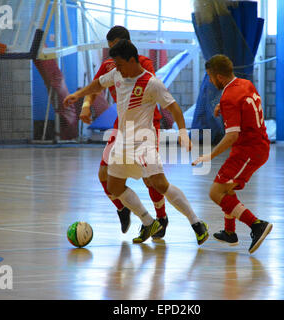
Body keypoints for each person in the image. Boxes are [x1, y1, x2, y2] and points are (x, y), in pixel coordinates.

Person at [64, 40, 209, 245]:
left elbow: (174, 108)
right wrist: (78, 95)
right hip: (123, 141)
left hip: (143, 142)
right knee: (114, 186)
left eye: (121, 64)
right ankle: (149, 221)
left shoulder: (151, 83)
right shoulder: (116, 74)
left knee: (159, 184)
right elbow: (98, 84)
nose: (118, 69)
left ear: (132, 60)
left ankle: (196, 223)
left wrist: (183, 133)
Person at [79, 26, 169, 238]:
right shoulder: (109, 65)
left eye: (116, 50)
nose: (113, 59)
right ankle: (122, 207)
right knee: (103, 175)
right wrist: (85, 106)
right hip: (122, 127)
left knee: (150, 179)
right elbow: (94, 87)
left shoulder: (143, 64)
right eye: (110, 49)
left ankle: (161, 218)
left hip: (146, 126)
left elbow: (151, 90)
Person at [192, 54, 272, 254]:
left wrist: (209, 155)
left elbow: (232, 136)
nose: (210, 81)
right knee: (227, 186)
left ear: (218, 77)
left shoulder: (228, 96)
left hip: (249, 150)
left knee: (215, 192)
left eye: (210, 77)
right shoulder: (244, 84)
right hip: (255, 147)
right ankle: (229, 232)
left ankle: (256, 225)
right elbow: (244, 105)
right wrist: (224, 107)